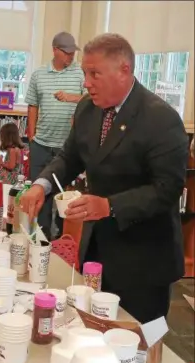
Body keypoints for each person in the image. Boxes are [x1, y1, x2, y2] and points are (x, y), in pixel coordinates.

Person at [20, 33, 188, 324]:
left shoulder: (161, 119)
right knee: (95, 333)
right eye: (85, 72)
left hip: (144, 260)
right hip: (98, 251)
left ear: (124, 70)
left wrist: (109, 206)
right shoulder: (88, 108)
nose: (86, 82)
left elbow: (168, 189)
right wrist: (40, 185)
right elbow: (69, 157)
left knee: (137, 346)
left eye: (94, 73)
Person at [25, 32, 85, 241]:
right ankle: (38, 240)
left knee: (64, 200)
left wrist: (71, 97)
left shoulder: (80, 73)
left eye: (72, 53)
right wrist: (31, 136)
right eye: (67, 53)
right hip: (40, 145)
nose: (71, 57)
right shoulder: (39, 74)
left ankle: (61, 242)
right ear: (55, 51)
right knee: (39, 194)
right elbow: (32, 105)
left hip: (67, 149)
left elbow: (92, 98)